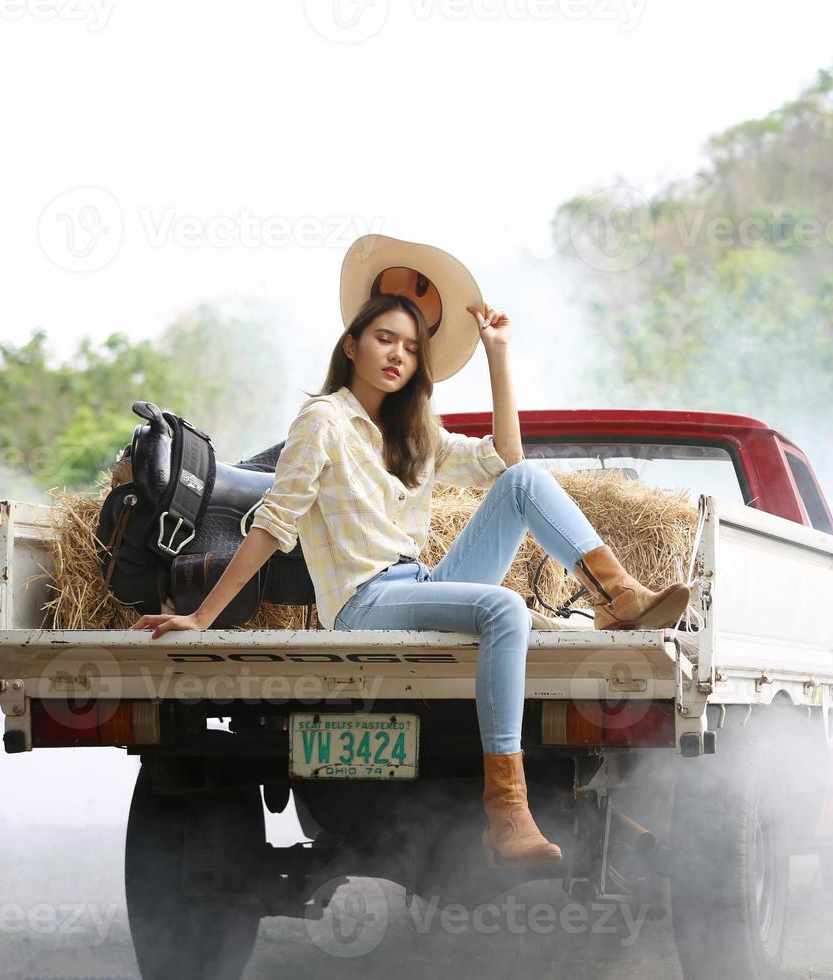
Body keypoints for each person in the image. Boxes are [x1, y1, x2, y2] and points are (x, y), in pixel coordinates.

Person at [131, 235, 691, 869]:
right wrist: (202, 617)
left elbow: (504, 461)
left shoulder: (414, 428)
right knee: (505, 609)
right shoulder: (323, 422)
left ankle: (617, 596)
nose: (398, 354)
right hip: (362, 602)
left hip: (417, 581)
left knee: (525, 480)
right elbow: (272, 526)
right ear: (351, 346)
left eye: (411, 346)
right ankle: (507, 809)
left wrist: (497, 355)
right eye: (384, 339)